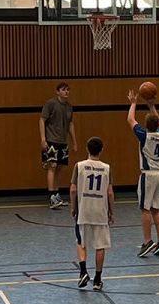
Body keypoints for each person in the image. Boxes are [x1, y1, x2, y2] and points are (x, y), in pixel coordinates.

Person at [71, 137, 114, 291]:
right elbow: (110, 193)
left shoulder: (79, 166)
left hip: (84, 209)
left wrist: (74, 207)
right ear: (101, 150)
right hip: (100, 210)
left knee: (81, 241)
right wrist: (111, 211)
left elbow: (73, 189)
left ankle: (83, 271)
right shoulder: (107, 168)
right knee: (100, 245)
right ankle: (97, 279)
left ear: (87, 149)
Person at [128, 90, 159, 257]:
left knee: (145, 209)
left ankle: (147, 241)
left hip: (148, 174)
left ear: (146, 125)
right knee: (156, 208)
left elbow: (130, 119)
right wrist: (151, 105)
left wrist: (133, 102)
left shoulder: (144, 135)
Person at [40, 82, 78, 210]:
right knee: (51, 167)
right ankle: (51, 196)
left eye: (68, 89)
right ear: (57, 92)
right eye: (63, 89)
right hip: (51, 140)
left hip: (63, 141)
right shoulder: (51, 104)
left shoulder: (69, 107)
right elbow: (42, 120)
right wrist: (43, 139)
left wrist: (74, 141)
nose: (66, 92)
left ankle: (56, 194)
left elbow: (70, 124)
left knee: (60, 168)